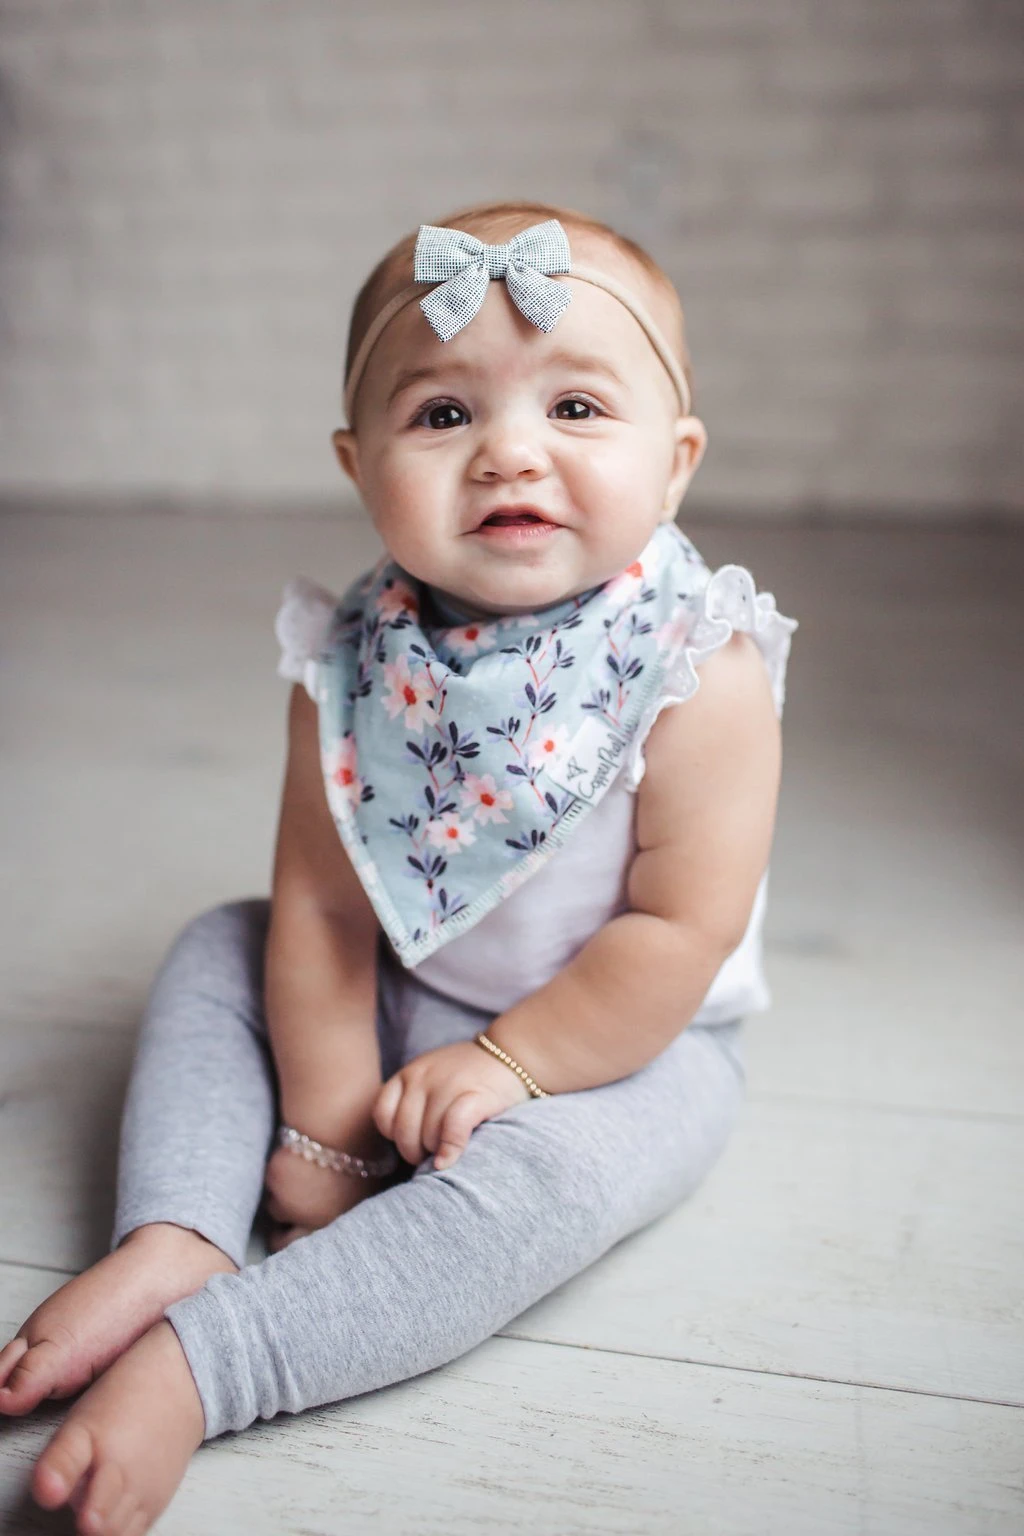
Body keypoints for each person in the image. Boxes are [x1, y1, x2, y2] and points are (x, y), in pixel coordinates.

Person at [0, 199, 797, 1536]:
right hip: (396, 990)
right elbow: (321, 907)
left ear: (675, 465)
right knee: (222, 944)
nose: (509, 452)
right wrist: (327, 1130)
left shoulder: (696, 670)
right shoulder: (350, 660)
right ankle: (179, 1232)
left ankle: (216, 1362)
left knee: (546, 1191)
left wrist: (511, 1066)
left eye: (576, 408)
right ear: (358, 464)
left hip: (619, 1044)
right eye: (442, 414)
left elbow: (678, 930)